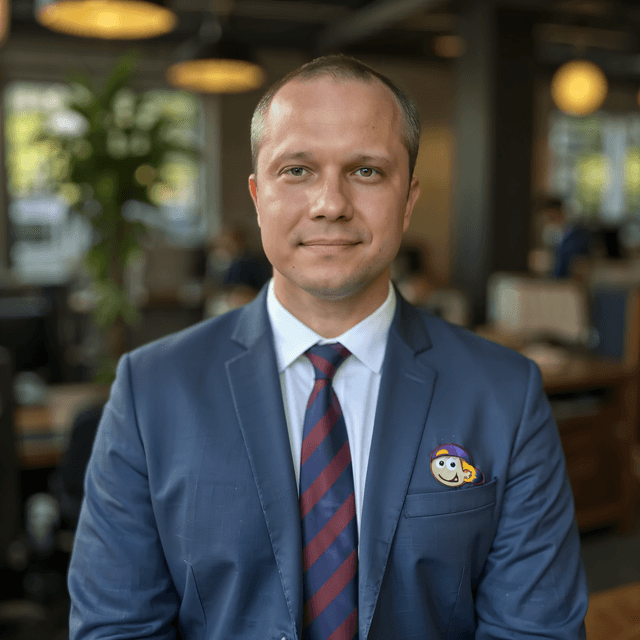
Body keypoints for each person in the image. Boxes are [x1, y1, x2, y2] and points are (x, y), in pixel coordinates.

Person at [68, 55, 588, 640]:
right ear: (257, 194)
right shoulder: (150, 390)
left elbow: (534, 631)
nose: (330, 203)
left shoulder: (505, 395)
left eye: (366, 171)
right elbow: (117, 628)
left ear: (409, 199)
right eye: (297, 170)